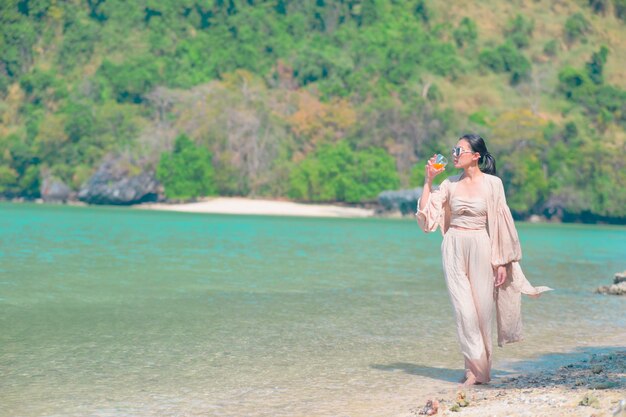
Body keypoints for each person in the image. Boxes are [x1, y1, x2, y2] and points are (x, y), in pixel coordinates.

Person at [416, 133, 552, 386]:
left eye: (460, 151)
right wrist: (428, 181)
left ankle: (478, 371)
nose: (454, 155)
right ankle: (475, 370)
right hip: (453, 246)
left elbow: (502, 224)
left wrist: (502, 262)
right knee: (464, 311)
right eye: (453, 151)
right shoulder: (449, 184)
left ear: (476, 156)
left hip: (482, 247)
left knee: (482, 314)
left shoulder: (493, 184)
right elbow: (426, 218)